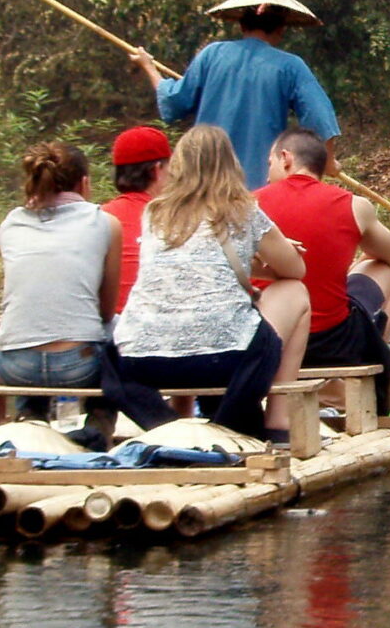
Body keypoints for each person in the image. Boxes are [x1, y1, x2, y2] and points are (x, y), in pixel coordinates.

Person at [110, 124, 311, 439]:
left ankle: (166, 425)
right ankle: (262, 421)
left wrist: (244, 262)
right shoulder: (242, 210)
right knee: (276, 326)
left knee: (113, 357)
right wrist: (266, 254)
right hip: (223, 358)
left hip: (142, 359)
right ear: (231, 164)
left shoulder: (154, 212)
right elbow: (295, 270)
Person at [132, 0, 341, 186]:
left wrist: (149, 66)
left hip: (203, 186)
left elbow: (173, 101)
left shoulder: (212, 55)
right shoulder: (290, 66)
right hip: (256, 188)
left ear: (241, 25)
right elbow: (320, 118)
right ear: (281, 28)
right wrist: (328, 162)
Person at [254, 127, 390, 386]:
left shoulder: (248, 205)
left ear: (286, 158)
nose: (267, 177)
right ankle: (372, 378)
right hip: (331, 343)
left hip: (268, 339)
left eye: (270, 164)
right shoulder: (354, 205)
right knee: (380, 268)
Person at [0, 140, 121, 430]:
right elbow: (106, 311)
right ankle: (98, 425)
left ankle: (30, 416)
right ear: (84, 184)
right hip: (79, 366)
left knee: (27, 330)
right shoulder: (105, 223)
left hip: (16, 367)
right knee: (118, 331)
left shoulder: (11, 224)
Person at [101, 123, 170, 313]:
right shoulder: (174, 219)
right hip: (156, 320)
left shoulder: (99, 216)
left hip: (108, 323)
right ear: (157, 170)